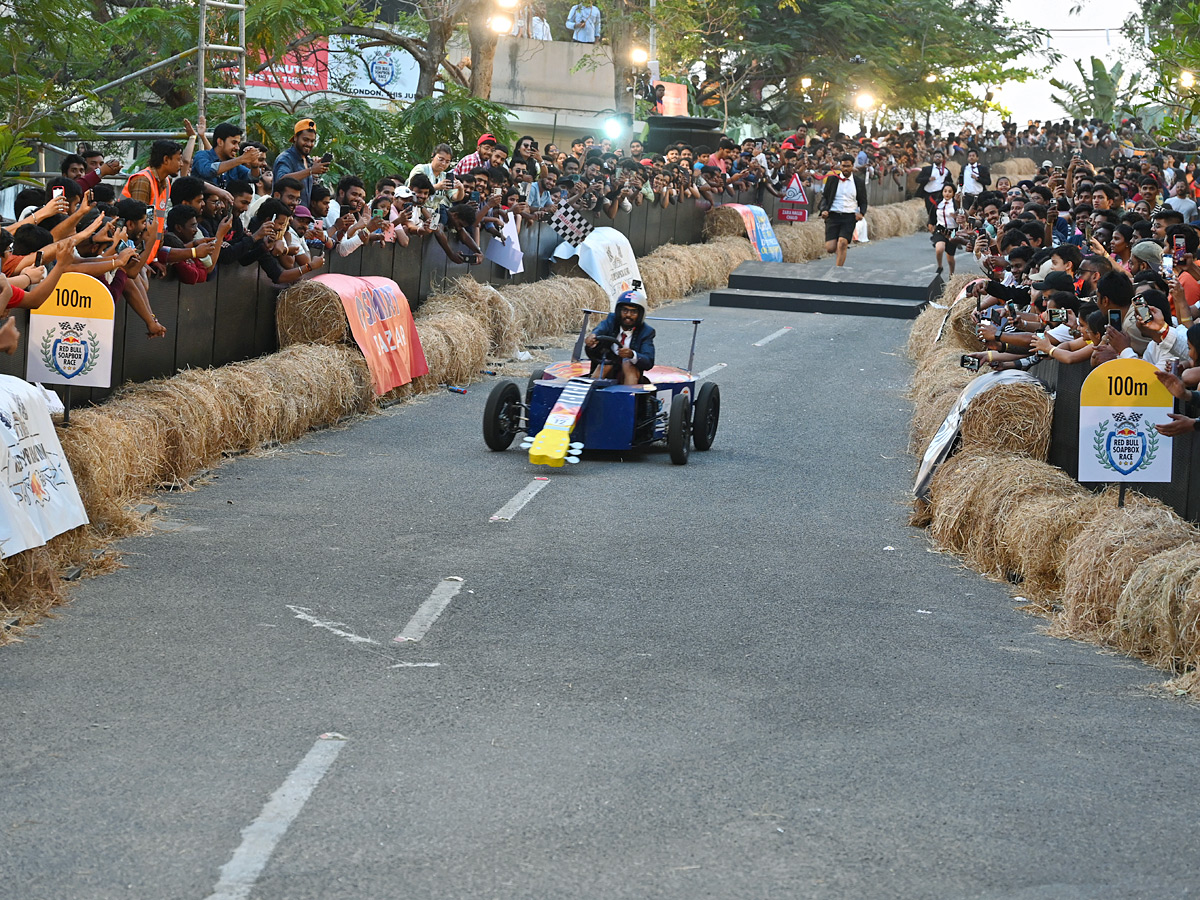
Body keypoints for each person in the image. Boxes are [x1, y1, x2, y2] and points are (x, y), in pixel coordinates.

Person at [121, 139, 182, 261]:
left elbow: (158, 222)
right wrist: (139, 260)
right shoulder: (143, 181)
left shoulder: (166, 183)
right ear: (166, 159)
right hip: (133, 257)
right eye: (178, 159)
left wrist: (154, 258)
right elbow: (137, 227)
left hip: (147, 256)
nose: (181, 164)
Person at [584, 290, 655, 385]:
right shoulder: (611, 320)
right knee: (606, 365)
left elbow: (648, 361)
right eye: (625, 311)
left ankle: (628, 397)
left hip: (630, 373)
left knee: (628, 364)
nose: (628, 315)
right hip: (607, 367)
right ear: (619, 311)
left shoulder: (646, 332)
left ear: (640, 315)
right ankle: (592, 392)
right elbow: (601, 328)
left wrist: (632, 355)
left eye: (633, 312)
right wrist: (593, 336)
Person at [818, 154, 867, 268]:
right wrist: (824, 210)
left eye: (848, 166)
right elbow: (825, 197)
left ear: (852, 166)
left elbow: (863, 201)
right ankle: (839, 253)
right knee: (830, 248)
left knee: (843, 243)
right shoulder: (832, 179)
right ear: (840, 166)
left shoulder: (858, 182)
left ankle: (838, 270)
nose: (845, 169)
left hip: (849, 216)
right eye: (843, 166)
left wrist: (861, 213)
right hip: (833, 215)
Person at [272, 117, 329, 209]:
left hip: (302, 217)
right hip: (283, 214)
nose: (309, 144)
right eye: (305, 140)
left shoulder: (308, 161)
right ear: (295, 138)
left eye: (312, 141)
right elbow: (281, 180)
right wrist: (311, 171)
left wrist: (315, 174)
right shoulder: (285, 158)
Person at [191, 122, 265, 189]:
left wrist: (255, 164)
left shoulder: (235, 166)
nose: (237, 148)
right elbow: (208, 171)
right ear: (220, 142)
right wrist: (241, 159)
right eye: (234, 143)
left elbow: (253, 178)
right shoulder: (202, 155)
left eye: (238, 144)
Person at [916, 151, 955, 226]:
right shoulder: (927, 169)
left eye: (939, 157)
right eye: (936, 157)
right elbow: (917, 180)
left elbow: (950, 182)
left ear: (943, 159)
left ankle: (939, 225)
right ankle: (932, 225)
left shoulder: (946, 171)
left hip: (940, 194)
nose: (937, 158)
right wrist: (928, 179)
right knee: (930, 211)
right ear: (933, 158)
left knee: (939, 210)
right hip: (929, 194)